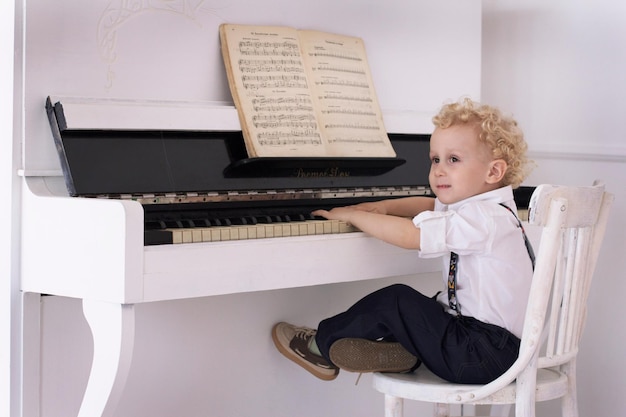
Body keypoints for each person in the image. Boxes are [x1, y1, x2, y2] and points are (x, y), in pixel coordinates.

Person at [272, 98, 535, 383]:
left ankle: (318, 346)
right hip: (496, 350)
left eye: (453, 159)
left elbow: (414, 236)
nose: (439, 170)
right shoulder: (485, 210)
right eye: (435, 159)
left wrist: (355, 216)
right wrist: (384, 208)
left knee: (397, 301)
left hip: (482, 355)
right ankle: (402, 350)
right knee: (430, 308)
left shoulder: (484, 219)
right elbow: (430, 205)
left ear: (493, 171)